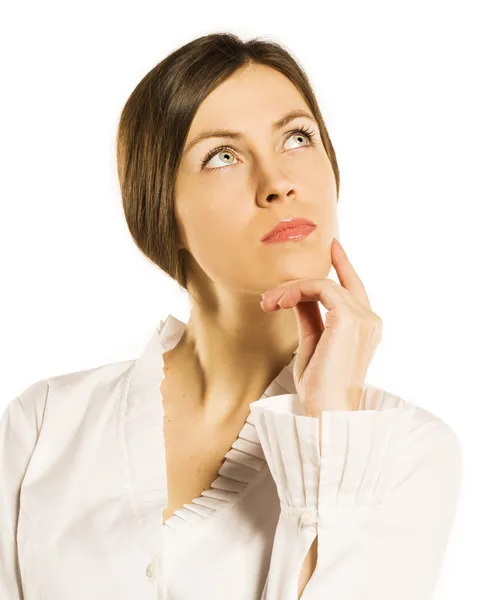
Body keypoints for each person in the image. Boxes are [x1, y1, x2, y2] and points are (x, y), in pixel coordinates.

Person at [0, 32, 463, 600]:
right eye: (223, 155)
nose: (277, 184)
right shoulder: (45, 426)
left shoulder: (410, 450)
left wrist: (332, 428)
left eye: (297, 137)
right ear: (159, 207)